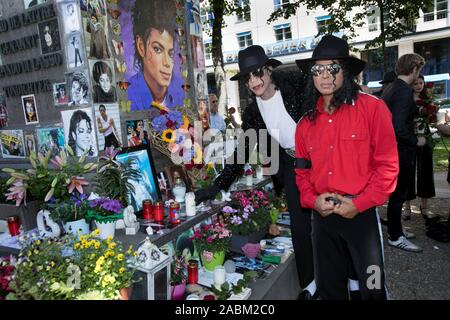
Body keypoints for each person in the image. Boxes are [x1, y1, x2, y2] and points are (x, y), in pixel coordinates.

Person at [195, 45, 317, 300]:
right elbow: (243, 151)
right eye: (247, 78)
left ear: (270, 70)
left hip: (321, 161)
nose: (253, 81)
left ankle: (347, 278)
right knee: (299, 226)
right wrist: (217, 186)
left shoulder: (296, 84)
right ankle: (310, 285)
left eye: (258, 73)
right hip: (292, 168)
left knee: (331, 222)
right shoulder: (252, 112)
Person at [295, 35, 399, 300]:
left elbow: (387, 166)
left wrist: (361, 203)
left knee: (373, 287)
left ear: (347, 71)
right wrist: (311, 200)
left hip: (361, 217)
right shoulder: (305, 124)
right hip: (323, 218)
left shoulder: (373, 109)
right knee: (329, 289)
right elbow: (302, 172)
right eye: (317, 69)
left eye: (333, 68)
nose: (325, 75)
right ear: (311, 75)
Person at [382, 53, 426, 252]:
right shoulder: (402, 91)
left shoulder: (392, 88)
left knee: (397, 194)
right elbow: (398, 126)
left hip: (393, 150)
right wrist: (416, 140)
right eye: (419, 70)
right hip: (400, 151)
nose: (419, 75)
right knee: (398, 194)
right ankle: (395, 235)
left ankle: (395, 228)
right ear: (414, 69)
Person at [129, 0, 183, 110]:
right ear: (141, 46)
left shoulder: (179, 91)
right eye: (158, 49)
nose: (167, 63)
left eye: (171, 53)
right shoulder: (130, 93)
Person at [403, 74, 438, 221]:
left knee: (426, 173)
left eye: (420, 83)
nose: (418, 85)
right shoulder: (405, 100)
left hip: (426, 139)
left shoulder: (428, 100)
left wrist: (432, 113)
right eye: (415, 83)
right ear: (410, 85)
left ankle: (424, 207)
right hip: (410, 140)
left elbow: (432, 121)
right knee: (408, 174)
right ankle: (408, 207)